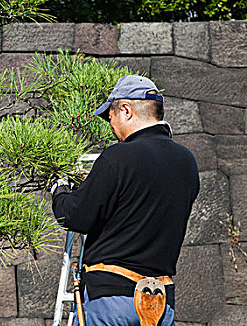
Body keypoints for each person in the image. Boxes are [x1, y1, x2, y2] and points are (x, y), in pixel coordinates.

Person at [50, 75, 200, 325]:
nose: (111, 125)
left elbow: (76, 216)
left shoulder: (118, 157)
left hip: (110, 302)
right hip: (160, 306)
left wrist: (60, 190)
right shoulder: (187, 162)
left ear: (126, 111)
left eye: (111, 116)